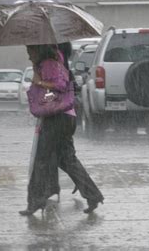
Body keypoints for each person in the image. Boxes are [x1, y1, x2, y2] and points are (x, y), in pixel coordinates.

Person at [20, 44, 104, 216]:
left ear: (39, 50)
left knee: (41, 160)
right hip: (65, 117)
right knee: (66, 159)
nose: (29, 56)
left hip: (57, 118)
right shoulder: (51, 62)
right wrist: (38, 73)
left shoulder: (50, 63)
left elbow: (59, 85)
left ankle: (35, 201)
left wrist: (39, 82)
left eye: (31, 52)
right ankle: (93, 195)